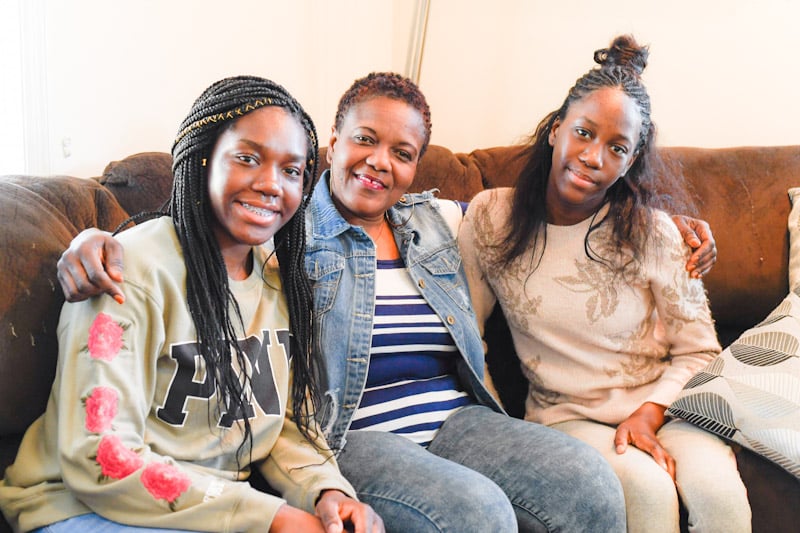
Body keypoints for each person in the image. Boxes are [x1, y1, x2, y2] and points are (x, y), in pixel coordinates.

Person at [54, 72, 718, 533]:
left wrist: (660, 218)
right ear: (334, 145)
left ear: (416, 167)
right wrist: (97, 237)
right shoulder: (286, 230)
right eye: (364, 139)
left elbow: (551, 210)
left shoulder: (440, 221)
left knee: (588, 478)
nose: (379, 162)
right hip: (357, 431)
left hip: (456, 416)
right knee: (478, 511)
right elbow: (188, 225)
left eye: (403, 153)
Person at [0, 75, 382, 533]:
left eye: (292, 170)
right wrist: (270, 517)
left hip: (203, 509)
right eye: (247, 158)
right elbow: (101, 456)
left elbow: (283, 425)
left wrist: (328, 491)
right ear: (201, 161)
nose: (270, 184)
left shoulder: (282, 285)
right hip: (81, 504)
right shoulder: (125, 273)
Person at [458, 36, 751, 533]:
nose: (594, 157)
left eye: (617, 148)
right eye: (583, 133)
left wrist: (650, 413)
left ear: (632, 160)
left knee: (720, 499)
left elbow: (701, 352)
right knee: (645, 489)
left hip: (667, 404)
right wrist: (499, 428)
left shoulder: (656, 232)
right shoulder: (491, 217)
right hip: (566, 415)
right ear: (556, 130)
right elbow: (465, 332)